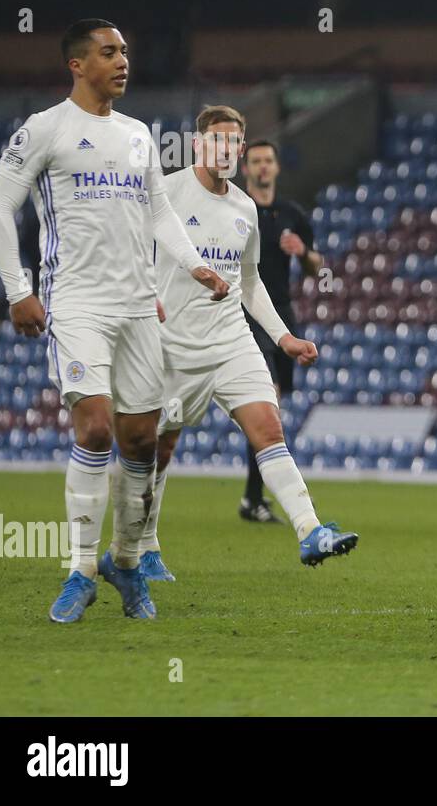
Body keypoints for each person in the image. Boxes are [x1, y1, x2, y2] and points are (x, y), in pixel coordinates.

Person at [0, 18, 229, 623]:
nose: (122, 62)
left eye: (125, 52)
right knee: (94, 428)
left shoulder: (139, 134)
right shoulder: (45, 130)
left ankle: (123, 560)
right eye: (108, 52)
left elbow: (160, 212)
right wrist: (18, 290)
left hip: (139, 305)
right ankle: (80, 569)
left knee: (141, 440)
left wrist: (195, 266)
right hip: (75, 303)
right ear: (76, 63)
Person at [137, 105, 356, 582]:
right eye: (216, 140)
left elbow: (250, 283)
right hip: (172, 345)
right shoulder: (168, 191)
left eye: (234, 142)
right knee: (161, 449)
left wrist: (284, 338)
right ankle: (145, 545)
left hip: (231, 340)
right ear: (198, 145)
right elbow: (132, 248)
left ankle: (310, 529)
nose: (227, 149)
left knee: (268, 429)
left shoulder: (243, 208)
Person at [237, 139, 323, 523]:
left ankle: (252, 498)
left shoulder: (292, 213)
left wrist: (303, 252)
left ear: (276, 167)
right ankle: (256, 499)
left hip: (282, 314)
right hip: (244, 314)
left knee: (276, 406)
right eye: (255, 161)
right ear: (246, 169)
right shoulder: (236, 210)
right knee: (267, 401)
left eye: (268, 160)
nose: (262, 167)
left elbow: (316, 268)